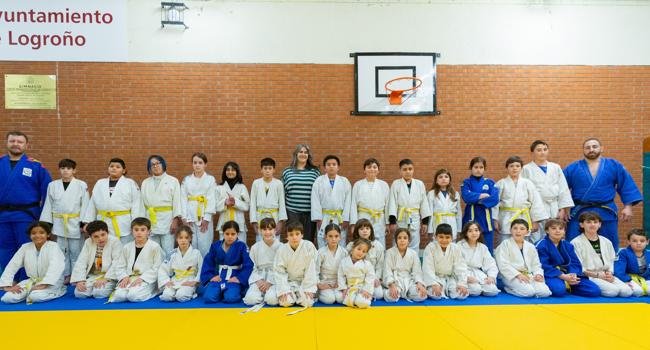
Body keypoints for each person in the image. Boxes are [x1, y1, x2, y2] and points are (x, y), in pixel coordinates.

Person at [563, 138, 643, 250]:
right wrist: (563, 208)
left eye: (594, 146)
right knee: (574, 245)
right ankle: (576, 267)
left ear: (602, 148)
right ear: (583, 150)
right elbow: (561, 189)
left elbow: (626, 184)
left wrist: (628, 206)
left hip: (606, 212)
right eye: (587, 147)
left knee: (609, 245)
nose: (591, 149)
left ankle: (610, 267)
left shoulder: (614, 165)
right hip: (580, 212)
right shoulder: (573, 168)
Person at [0, 131, 52, 277]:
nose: (16, 144)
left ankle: (26, 279)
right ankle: (9, 278)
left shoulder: (35, 166)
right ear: (7, 143)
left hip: (27, 215)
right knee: (4, 248)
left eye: (19, 142)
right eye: (12, 141)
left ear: (26, 145)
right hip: (2, 216)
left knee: (27, 248)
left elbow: (47, 193)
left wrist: (43, 218)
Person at [40, 158, 89, 284]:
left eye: (68, 168)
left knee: (76, 250)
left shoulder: (81, 185)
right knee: (61, 251)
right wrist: (47, 224)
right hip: (59, 222)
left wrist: (84, 223)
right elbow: (48, 205)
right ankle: (65, 274)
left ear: (74, 170)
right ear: (59, 170)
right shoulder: (52, 185)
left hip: (75, 222)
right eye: (62, 168)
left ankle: (77, 275)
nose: (65, 171)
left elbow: (85, 204)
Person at [0, 222, 65, 304]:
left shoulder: (54, 246)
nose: (37, 236)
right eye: (33, 233)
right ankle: (31, 292)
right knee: (7, 298)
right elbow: (12, 265)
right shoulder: (25, 247)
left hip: (51, 282)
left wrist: (45, 284)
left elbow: (55, 266)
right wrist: (7, 286)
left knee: (35, 297)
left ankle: (59, 290)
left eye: (41, 233)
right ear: (30, 235)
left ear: (48, 234)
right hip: (32, 281)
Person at [570, 212, 632, 297]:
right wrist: (597, 275)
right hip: (590, 276)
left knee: (627, 292)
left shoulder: (606, 242)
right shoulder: (575, 243)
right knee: (613, 292)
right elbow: (578, 266)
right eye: (588, 222)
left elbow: (612, 260)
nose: (592, 225)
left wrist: (610, 273)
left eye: (595, 222)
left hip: (606, 274)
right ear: (581, 225)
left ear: (600, 225)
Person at [83, 158, 143, 244]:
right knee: (105, 248)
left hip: (123, 223)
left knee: (123, 249)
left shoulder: (130, 183)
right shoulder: (100, 183)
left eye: (118, 167)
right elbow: (93, 203)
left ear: (124, 170)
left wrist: (136, 223)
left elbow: (136, 204)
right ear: (108, 169)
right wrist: (88, 221)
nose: (114, 168)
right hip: (103, 221)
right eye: (111, 166)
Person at [521, 140, 574, 237]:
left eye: (545, 149)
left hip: (554, 208)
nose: (542, 152)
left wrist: (562, 209)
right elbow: (524, 193)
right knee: (536, 238)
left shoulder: (555, 167)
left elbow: (563, 189)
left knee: (555, 236)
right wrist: (531, 216)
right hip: (536, 209)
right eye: (539, 150)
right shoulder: (526, 169)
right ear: (532, 152)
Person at [536, 219, 600, 297]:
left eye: (560, 229)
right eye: (553, 228)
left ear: (564, 231)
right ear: (547, 230)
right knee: (559, 290)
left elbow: (575, 263)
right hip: (552, 274)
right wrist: (562, 276)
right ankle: (564, 285)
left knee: (594, 290)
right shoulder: (541, 245)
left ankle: (570, 286)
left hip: (568, 274)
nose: (557, 231)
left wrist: (572, 275)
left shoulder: (567, 245)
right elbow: (543, 265)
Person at [107, 217, 164, 303]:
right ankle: (131, 289)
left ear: (148, 232)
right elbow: (120, 266)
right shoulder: (127, 247)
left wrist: (143, 278)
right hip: (130, 278)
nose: (139, 232)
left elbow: (157, 267)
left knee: (132, 296)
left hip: (147, 279)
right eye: (136, 230)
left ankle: (154, 290)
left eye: (142, 230)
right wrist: (124, 277)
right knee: (119, 296)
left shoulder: (154, 247)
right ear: (132, 231)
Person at [494, 156, 548, 245]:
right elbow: (494, 203)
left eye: (517, 166)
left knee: (524, 243)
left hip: (523, 217)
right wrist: (495, 220)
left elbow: (536, 202)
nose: (514, 168)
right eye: (511, 166)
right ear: (507, 168)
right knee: (504, 242)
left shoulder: (527, 183)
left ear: (521, 168)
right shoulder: (501, 183)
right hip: (505, 218)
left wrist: (535, 221)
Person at [495, 219, 551, 298]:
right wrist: (518, 275)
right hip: (512, 276)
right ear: (510, 230)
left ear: (527, 232)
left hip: (528, 275)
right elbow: (503, 265)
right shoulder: (504, 245)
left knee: (544, 292)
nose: (518, 231)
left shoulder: (531, 246)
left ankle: (529, 287)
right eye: (515, 228)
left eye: (522, 229)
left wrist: (538, 274)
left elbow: (536, 264)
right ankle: (508, 289)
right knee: (529, 292)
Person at [268, 220, 318, 308]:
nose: (294, 237)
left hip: (303, 283)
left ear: (302, 235)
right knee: (281, 301)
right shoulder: (282, 249)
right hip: (288, 282)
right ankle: (292, 296)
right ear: (287, 237)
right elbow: (279, 271)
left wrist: (308, 289)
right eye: (291, 234)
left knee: (307, 302)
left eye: (297, 234)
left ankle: (298, 295)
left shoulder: (308, 246)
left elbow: (311, 269)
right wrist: (284, 290)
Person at [200, 221, 253, 303]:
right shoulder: (216, 245)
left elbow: (248, 265)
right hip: (219, 277)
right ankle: (221, 291)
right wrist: (211, 277)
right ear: (223, 233)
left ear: (237, 234)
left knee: (231, 298)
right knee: (208, 298)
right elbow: (208, 262)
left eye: (233, 234)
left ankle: (232, 292)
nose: (230, 237)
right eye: (227, 234)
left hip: (233, 278)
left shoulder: (242, 246)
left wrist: (239, 278)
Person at [141, 155, 182, 256]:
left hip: (167, 220)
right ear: (149, 168)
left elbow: (177, 201)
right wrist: (143, 222)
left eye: (158, 163)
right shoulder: (146, 182)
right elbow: (141, 203)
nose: (155, 166)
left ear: (163, 164)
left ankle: (167, 270)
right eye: (152, 164)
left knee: (167, 249)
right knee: (152, 250)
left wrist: (175, 220)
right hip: (150, 219)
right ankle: (154, 270)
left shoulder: (173, 181)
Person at [388, 159, 432, 252]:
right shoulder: (396, 184)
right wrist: (392, 221)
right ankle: (397, 265)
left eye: (410, 169)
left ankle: (413, 265)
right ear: (400, 171)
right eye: (404, 169)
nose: (408, 171)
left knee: (414, 244)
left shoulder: (419, 184)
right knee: (398, 243)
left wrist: (425, 222)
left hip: (414, 218)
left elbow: (424, 203)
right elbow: (392, 203)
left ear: (413, 170)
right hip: (401, 218)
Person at [71, 220, 122, 299]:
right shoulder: (88, 242)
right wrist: (80, 280)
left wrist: (106, 279)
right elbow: (81, 261)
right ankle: (92, 287)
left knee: (99, 293)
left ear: (107, 232)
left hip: (109, 276)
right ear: (90, 237)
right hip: (94, 276)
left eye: (103, 234)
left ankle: (112, 286)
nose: (100, 238)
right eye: (96, 236)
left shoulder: (115, 242)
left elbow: (117, 262)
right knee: (79, 293)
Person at [180, 152, 218, 257]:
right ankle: (192, 268)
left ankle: (205, 269)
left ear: (205, 164)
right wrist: (184, 217)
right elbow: (182, 199)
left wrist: (207, 218)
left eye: (200, 163)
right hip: (190, 216)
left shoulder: (210, 180)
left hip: (204, 216)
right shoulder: (186, 180)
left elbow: (211, 199)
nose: (197, 165)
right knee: (192, 244)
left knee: (205, 245)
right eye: (195, 162)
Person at [282, 144, 321, 243]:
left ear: (308, 155)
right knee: (294, 239)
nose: (303, 154)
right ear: (296, 154)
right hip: (292, 212)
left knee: (308, 241)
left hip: (310, 213)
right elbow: (282, 193)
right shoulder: (287, 171)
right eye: (300, 152)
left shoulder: (315, 172)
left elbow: (319, 192)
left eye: (305, 152)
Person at [461, 157, 499, 254]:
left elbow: (494, 199)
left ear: (484, 168)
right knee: (469, 247)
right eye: (476, 167)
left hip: (486, 219)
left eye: (481, 167)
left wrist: (476, 200)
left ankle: (488, 268)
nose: (478, 170)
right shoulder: (466, 182)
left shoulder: (490, 182)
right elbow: (466, 197)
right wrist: (481, 196)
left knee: (487, 249)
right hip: (471, 217)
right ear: (471, 168)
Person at [311, 155, 351, 248]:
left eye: (334, 164)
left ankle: (340, 261)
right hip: (324, 217)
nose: (331, 166)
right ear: (325, 168)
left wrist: (345, 218)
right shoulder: (319, 181)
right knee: (323, 241)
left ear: (338, 167)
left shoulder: (344, 181)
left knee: (340, 241)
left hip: (339, 217)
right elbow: (315, 200)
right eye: (328, 164)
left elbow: (348, 201)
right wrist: (318, 218)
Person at [422, 223, 469, 300]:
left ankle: (450, 290)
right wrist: (433, 283)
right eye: (441, 237)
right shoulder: (430, 247)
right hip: (435, 278)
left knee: (462, 295)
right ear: (435, 237)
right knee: (436, 296)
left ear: (451, 238)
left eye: (447, 237)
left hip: (450, 278)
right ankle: (441, 289)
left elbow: (460, 267)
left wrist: (462, 283)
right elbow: (427, 267)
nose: (444, 240)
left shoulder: (455, 248)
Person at [349, 158, 390, 246]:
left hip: (379, 219)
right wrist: (353, 224)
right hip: (363, 217)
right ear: (364, 170)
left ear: (378, 170)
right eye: (369, 167)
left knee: (380, 244)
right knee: (363, 242)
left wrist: (387, 223)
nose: (372, 169)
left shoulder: (384, 185)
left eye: (375, 167)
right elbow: (353, 205)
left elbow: (387, 206)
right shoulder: (358, 185)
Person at [158, 225, 203, 302]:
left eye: (186, 238)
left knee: (181, 296)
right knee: (166, 296)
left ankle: (191, 292)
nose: (183, 240)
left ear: (190, 238)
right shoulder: (172, 253)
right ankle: (174, 293)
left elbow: (201, 269)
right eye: (180, 238)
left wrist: (195, 282)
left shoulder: (196, 253)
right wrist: (166, 281)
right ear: (176, 239)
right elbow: (163, 269)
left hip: (189, 280)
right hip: (175, 280)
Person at [243, 218, 282, 306]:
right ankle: (261, 294)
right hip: (259, 277)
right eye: (264, 229)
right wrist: (258, 280)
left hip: (275, 278)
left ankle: (267, 295)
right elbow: (251, 267)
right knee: (250, 299)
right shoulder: (255, 247)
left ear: (275, 230)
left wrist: (270, 282)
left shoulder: (281, 247)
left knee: (271, 300)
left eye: (270, 229)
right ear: (260, 231)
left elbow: (282, 268)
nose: (267, 232)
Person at [382, 228, 427, 302]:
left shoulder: (413, 253)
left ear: (409, 240)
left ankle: (408, 292)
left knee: (422, 296)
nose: (402, 240)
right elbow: (387, 270)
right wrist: (392, 285)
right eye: (399, 238)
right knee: (391, 298)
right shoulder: (389, 252)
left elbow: (417, 271)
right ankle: (388, 291)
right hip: (395, 280)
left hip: (409, 280)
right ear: (396, 240)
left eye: (405, 238)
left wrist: (419, 283)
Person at [457, 221, 500, 297]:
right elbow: (457, 265)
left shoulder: (482, 247)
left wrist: (491, 276)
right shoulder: (459, 246)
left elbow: (490, 263)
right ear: (466, 233)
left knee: (492, 291)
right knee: (475, 291)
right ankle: (476, 287)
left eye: (476, 230)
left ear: (480, 232)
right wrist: (466, 277)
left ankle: (481, 286)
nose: (474, 233)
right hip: (464, 273)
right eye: (470, 231)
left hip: (478, 273)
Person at [250, 158, 288, 241]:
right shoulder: (256, 183)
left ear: (274, 170)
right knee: (260, 240)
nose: (267, 171)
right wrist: (254, 221)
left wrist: (280, 222)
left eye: (270, 168)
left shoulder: (278, 183)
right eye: (265, 168)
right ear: (261, 170)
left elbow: (282, 202)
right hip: (260, 216)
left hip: (274, 217)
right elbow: (252, 203)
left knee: (275, 241)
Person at [346, 219, 384, 299]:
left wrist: (376, 278)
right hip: (355, 278)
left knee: (379, 294)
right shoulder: (351, 245)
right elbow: (347, 264)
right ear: (357, 231)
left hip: (371, 278)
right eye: (361, 229)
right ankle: (358, 294)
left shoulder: (378, 246)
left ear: (371, 231)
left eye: (367, 228)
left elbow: (380, 266)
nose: (365, 231)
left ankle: (362, 295)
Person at [215, 162, 250, 245]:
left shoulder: (242, 187)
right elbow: (215, 207)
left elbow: (247, 206)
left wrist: (235, 202)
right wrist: (225, 203)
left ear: (237, 172)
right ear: (224, 172)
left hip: (239, 221)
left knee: (240, 247)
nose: (230, 172)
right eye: (228, 170)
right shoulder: (219, 188)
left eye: (233, 170)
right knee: (224, 247)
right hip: (224, 221)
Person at [337, 238, 375, 309]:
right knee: (338, 298)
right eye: (359, 249)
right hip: (348, 288)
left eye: (364, 251)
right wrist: (343, 288)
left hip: (361, 288)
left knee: (363, 302)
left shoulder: (367, 264)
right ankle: (354, 299)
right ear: (353, 247)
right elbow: (341, 276)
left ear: (366, 253)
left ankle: (357, 299)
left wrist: (366, 290)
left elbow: (370, 278)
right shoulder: (344, 261)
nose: (360, 253)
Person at [316, 223, 347, 304]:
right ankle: (318, 293)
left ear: (340, 237)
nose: (333, 239)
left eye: (336, 236)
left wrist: (342, 284)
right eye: (330, 236)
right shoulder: (320, 252)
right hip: (324, 283)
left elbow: (346, 271)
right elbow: (315, 271)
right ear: (325, 237)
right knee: (330, 299)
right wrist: (319, 284)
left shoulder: (344, 252)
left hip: (338, 283)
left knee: (340, 299)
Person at [427, 168, 462, 240]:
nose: (443, 179)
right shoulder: (431, 194)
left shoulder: (455, 194)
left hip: (451, 222)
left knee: (451, 243)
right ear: (436, 181)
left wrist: (459, 229)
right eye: (440, 177)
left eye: (446, 177)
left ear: (449, 180)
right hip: (437, 222)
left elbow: (459, 213)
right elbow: (430, 213)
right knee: (438, 242)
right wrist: (430, 230)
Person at [614, 229, 650, 297]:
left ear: (647, 242)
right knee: (638, 291)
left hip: (645, 279)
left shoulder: (649, 254)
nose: (638, 243)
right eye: (634, 241)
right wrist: (626, 280)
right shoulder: (623, 253)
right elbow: (618, 271)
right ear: (629, 242)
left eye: (642, 241)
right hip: (629, 278)